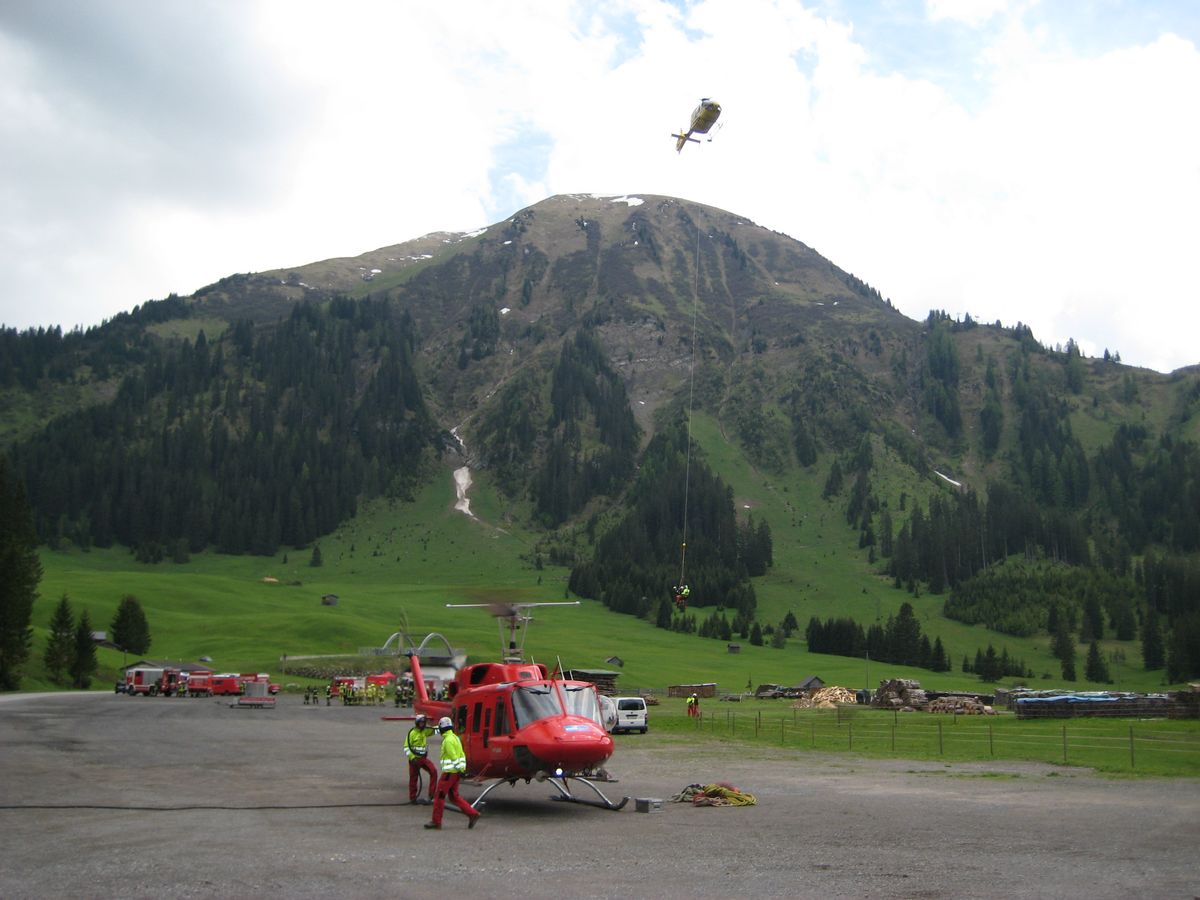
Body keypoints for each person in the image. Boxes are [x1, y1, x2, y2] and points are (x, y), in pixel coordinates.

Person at [424, 716, 480, 830]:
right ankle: (472, 813)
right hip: (456, 773)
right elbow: (461, 755)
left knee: (439, 796)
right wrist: (462, 770)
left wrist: (458, 768)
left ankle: (436, 821)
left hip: (449, 773)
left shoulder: (448, 740)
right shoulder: (455, 738)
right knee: (454, 796)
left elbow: (454, 756)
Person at [405, 714, 438, 805]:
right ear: (417, 723)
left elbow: (435, 730)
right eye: (421, 722)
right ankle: (413, 798)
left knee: (433, 771)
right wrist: (412, 758)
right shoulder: (412, 733)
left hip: (423, 759)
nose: (423, 724)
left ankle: (431, 796)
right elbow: (406, 747)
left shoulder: (425, 731)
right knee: (413, 778)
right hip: (414, 760)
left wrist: (445, 726)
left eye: (424, 723)